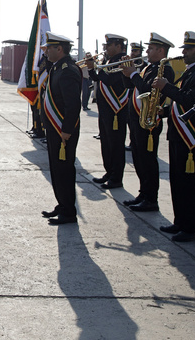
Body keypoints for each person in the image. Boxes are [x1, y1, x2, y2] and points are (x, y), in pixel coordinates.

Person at [152, 31, 195, 242]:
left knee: (188, 183)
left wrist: (166, 87)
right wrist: (164, 111)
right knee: (178, 180)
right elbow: (181, 102)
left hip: (192, 136)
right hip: (179, 133)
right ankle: (180, 221)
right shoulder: (192, 71)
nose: (183, 52)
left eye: (188, 49)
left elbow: (189, 100)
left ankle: (191, 228)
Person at [121, 33, 175, 212]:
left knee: (147, 160)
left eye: (151, 48)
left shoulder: (164, 69)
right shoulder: (148, 67)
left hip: (149, 121)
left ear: (161, 50)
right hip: (137, 119)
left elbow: (148, 91)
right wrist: (126, 72)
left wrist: (134, 73)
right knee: (138, 158)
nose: (147, 51)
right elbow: (131, 86)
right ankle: (143, 193)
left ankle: (151, 198)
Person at [39, 33, 82, 225]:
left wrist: (66, 130)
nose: (45, 50)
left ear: (60, 49)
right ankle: (62, 204)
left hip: (64, 131)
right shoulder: (57, 67)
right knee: (57, 170)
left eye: (49, 47)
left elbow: (73, 105)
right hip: (55, 130)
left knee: (64, 170)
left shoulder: (68, 70)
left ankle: (69, 212)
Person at [85, 34, 130, 189]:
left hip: (116, 109)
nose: (106, 48)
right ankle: (109, 171)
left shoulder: (123, 60)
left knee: (116, 144)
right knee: (106, 142)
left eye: (109, 45)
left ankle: (116, 178)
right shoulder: (108, 60)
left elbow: (111, 80)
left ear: (118, 46)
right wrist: (91, 69)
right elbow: (98, 79)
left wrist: (97, 68)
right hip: (105, 108)